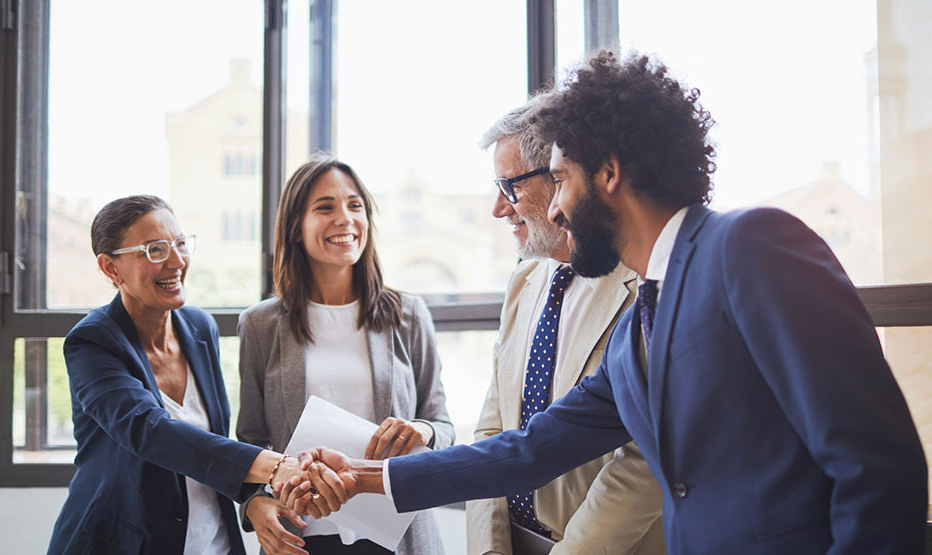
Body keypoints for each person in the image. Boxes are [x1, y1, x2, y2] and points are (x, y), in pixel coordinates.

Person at [277, 50, 929, 555]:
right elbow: (527, 449)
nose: (555, 205)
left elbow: (879, 467)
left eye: (559, 178)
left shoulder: (751, 245)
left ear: (609, 173)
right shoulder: (642, 321)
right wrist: (365, 477)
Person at [48, 195, 308, 555]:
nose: (177, 261)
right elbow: (150, 431)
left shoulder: (199, 327)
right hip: (126, 543)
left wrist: (252, 497)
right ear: (111, 268)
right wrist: (273, 466)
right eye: (155, 250)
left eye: (180, 244)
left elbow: (211, 438)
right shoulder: (93, 342)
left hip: (213, 542)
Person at [468, 100, 664, 555]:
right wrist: (489, 548)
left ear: (561, 178)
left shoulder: (644, 288)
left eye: (509, 187)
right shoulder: (524, 280)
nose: (499, 208)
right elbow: (492, 430)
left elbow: (643, 460)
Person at [235, 154, 452, 555]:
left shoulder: (407, 315)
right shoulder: (261, 325)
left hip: (397, 536)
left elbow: (442, 424)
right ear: (296, 228)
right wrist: (252, 502)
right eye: (325, 207)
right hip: (301, 536)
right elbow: (250, 439)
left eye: (355, 206)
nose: (344, 218)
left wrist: (423, 430)